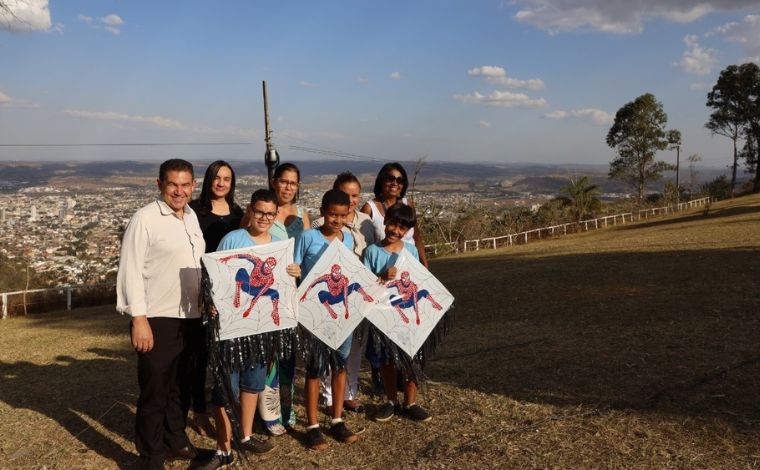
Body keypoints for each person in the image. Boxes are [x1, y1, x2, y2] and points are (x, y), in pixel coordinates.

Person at [198, 189, 300, 470]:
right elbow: (218, 273)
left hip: (261, 329)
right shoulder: (233, 239)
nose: (264, 218)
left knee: (252, 384)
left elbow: (284, 285)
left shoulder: (280, 244)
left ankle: (245, 435)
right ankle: (223, 448)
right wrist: (214, 303)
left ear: (276, 214)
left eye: (270, 213)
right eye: (259, 212)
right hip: (232, 327)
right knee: (224, 388)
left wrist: (294, 274)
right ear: (250, 212)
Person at [116, 158, 206, 469]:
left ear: (193, 186)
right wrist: (138, 318)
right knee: (155, 391)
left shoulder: (192, 217)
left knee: (181, 386)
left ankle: (177, 441)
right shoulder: (145, 219)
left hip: (192, 317)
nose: (179, 191)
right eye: (172, 184)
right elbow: (130, 271)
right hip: (157, 317)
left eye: (185, 185)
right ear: (160, 185)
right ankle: (151, 457)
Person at [294, 189, 362, 450]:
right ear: (322, 212)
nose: (337, 220)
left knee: (340, 364)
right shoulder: (308, 237)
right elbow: (296, 267)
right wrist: (295, 272)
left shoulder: (347, 239)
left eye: (342, 215)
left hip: (341, 315)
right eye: (332, 214)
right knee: (315, 367)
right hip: (315, 314)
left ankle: (336, 418)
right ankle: (312, 425)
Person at [185, 160, 245, 438]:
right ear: (209, 180)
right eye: (217, 178)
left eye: (227, 179)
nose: (221, 183)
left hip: (230, 293)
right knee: (199, 354)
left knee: (223, 355)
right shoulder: (194, 211)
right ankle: (198, 412)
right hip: (201, 288)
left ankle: (222, 408)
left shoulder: (238, 213)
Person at [311, 172, 376, 412]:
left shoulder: (365, 223)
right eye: (345, 194)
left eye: (355, 195)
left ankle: (350, 392)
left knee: (354, 346)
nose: (350, 200)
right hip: (330, 293)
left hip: (356, 294)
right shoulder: (320, 226)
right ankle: (329, 397)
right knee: (331, 347)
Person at [362, 203, 432, 423]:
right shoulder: (371, 252)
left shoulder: (410, 251)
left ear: (407, 231)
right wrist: (382, 276)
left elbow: (418, 281)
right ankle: (391, 400)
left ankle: (410, 402)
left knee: (411, 357)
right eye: (392, 224)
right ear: (385, 222)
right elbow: (364, 286)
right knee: (386, 359)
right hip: (382, 314)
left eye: (402, 228)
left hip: (407, 313)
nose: (395, 230)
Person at [261, 162, 309, 434]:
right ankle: (267, 412)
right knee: (270, 353)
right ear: (274, 181)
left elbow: (307, 251)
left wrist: (301, 270)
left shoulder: (303, 214)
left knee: (288, 352)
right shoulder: (261, 211)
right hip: (267, 291)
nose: (288, 187)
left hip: (293, 290)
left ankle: (286, 409)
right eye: (284, 181)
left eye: (293, 183)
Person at [361, 162, 429, 268]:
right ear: (381, 180)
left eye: (400, 180)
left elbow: (417, 237)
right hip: (381, 264)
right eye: (390, 178)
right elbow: (363, 241)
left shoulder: (408, 205)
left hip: (410, 263)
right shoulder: (370, 208)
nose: (395, 183)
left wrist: (424, 264)